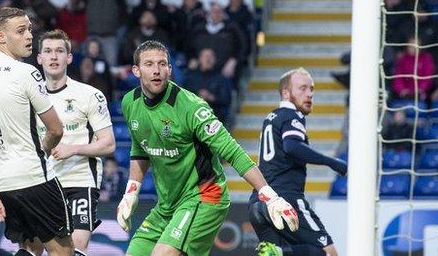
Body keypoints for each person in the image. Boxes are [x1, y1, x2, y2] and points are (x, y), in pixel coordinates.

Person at [116, 40, 299, 256]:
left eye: (162, 64)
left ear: (170, 68)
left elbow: (232, 151)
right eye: (149, 64)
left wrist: (269, 195)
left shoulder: (191, 107)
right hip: (167, 205)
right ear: (136, 70)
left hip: (204, 197)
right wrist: (131, 192)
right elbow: (140, 146)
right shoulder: (130, 102)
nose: (156, 70)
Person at [0, 7, 73, 255]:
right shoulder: (26, 72)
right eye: (21, 31)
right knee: (63, 251)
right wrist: (42, 150)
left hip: (0, 183)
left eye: (30, 30)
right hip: (33, 177)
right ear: (1, 37)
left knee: (31, 248)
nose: (29, 36)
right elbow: (56, 129)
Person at [249, 68, 347, 256]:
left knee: (274, 251)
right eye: (302, 88)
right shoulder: (292, 115)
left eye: (312, 89)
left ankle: (277, 252)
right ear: (286, 93)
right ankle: (281, 253)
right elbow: (292, 146)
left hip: (258, 202)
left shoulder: (271, 117)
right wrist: (332, 162)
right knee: (328, 253)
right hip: (285, 199)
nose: (310, 94)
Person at [36, 29, 115, 256]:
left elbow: (109, 144)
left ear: (69, 57)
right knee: (30, 250)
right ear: (39, 58)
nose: (54, 57)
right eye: (48, 51)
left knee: (76, 251)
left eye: (60, 51)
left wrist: (73, 149)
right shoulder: (29, 98)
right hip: (42, 183)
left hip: (79, 180)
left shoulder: (89, 95)